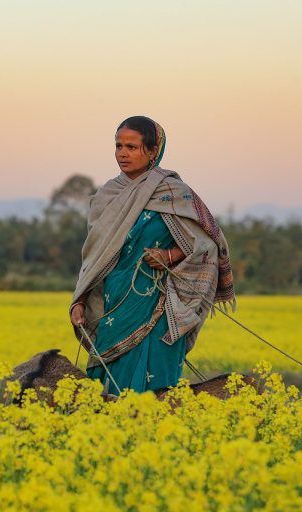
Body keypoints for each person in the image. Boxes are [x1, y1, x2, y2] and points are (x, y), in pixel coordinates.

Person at [69, 116, 236, 395]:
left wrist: (169, 255)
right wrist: (81, 299)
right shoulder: (107, 196)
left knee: (157, 391)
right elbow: (94, 258)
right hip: (114, 303)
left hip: (159, 305)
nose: (122, 153)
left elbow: (209, 245)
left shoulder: (174, 193)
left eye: (132, 147)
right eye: (118, 146)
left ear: (152, 151)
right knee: (105, 384)